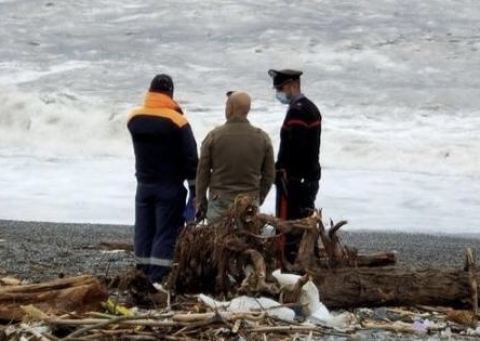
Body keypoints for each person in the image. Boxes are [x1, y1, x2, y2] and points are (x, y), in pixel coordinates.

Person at [127, 74, 198, 283]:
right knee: (165, 233)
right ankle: (157, 279)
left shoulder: (134, 119)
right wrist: (195, 190)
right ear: (170, 94)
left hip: (143, 185)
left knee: (143, 230)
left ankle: (141, 272)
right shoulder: (178, 121)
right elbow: (191, 158)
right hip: (169, 186)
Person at [268, 69, 322, 265]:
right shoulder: (310, 108)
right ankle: (306, 263)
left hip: (293, 180)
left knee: (287, 227)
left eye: (281, 88)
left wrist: (283, 172)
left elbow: (296, 148)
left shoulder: (298, 111)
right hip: (308, 177)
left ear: (292, 85)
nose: (279, 93)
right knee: (305, 223)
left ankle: (287, 266)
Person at [196, 91, 275, 222]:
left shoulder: (214, 136)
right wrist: (259, 197)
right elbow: (269, 174)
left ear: (231, 108)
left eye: (226, 105)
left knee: (218, 239)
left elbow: (202, 172)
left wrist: (201, 200)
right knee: (247, 239)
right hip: (250, 201)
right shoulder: (263, 138)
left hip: (219, 200)